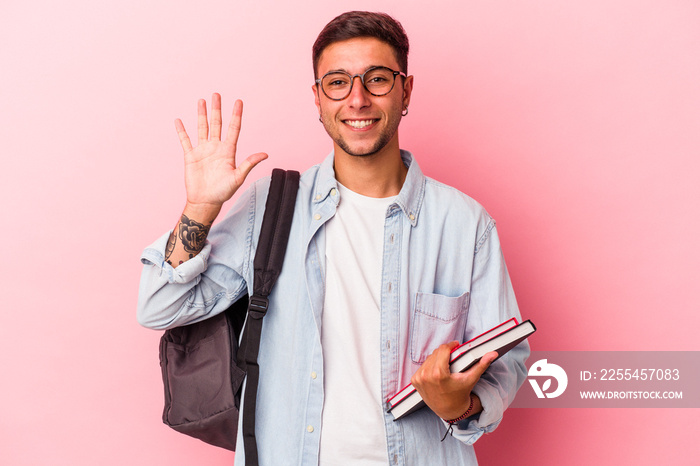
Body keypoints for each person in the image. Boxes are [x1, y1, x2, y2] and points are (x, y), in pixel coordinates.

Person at [138, 11, 528, 465]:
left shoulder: (465, 224)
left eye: (377, 79)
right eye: (338, 82)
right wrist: (201, 210)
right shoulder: (271, 206)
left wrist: (458, 405)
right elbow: (158, 305)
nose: (357, 99)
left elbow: (508, 364)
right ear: (319, 98)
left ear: (406, 90)